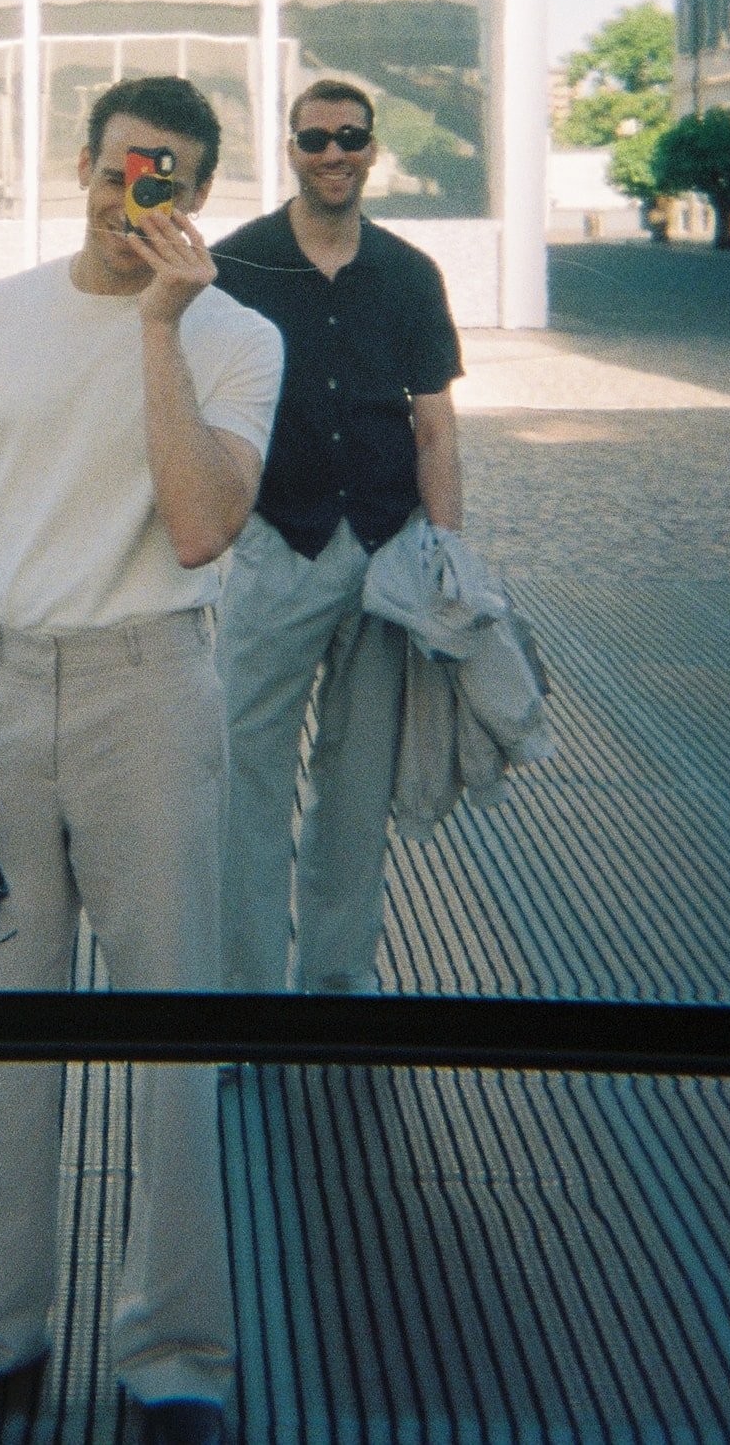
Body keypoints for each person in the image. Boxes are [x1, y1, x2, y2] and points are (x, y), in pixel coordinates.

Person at [0, 75, 283, 1445]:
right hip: (1, 688)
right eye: (114, 170)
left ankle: (177, 1352)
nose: (128, 198)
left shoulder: (237, 336)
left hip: (150, 688)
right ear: (81, 166)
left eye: (162, 178)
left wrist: (160, 324)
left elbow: (204, 523)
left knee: (173, 1027)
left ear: (198, 195)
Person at [210, 79, 465, 995]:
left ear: (371, 148)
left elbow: (434, 426)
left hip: (385, 554)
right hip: (276, 547)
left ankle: (337, 979)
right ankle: (242, 995)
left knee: (357, 786)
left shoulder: (409, 273)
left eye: (350, 137)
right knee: (244, 779)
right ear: (290, 148)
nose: (333, 154)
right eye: (315, 138)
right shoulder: (235, 266)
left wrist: (445, 558)